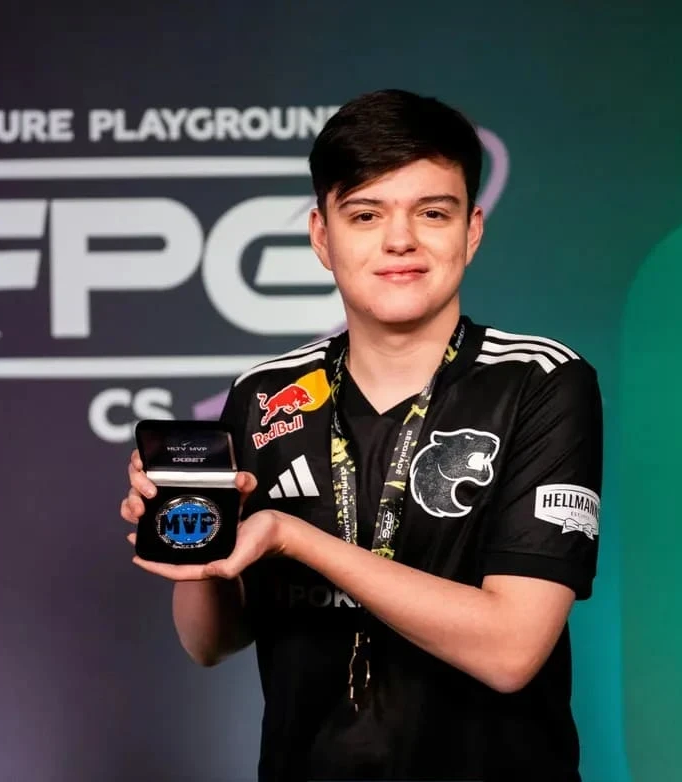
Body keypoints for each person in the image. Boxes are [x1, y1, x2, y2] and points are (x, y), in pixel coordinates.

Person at [119, 88, 603, 782]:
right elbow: (211, 642)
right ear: (322, 235)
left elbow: (511, 651)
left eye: (432, 213)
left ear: (472, 230)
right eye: (366, 214)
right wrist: (193, 546)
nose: (399, 240)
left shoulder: (541, 381)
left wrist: (293, 537)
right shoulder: (265, 395)